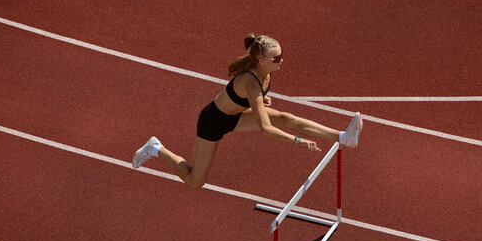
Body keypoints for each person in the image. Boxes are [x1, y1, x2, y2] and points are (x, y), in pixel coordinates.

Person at [132, 33, 362, 189]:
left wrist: (259, 101)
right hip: (213, 122)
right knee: (195, 181)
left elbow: (253, 100)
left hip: (234, 116)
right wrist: (298, 141)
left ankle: (344, 137)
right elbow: (266, 129)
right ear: (261, 60)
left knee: (287, 118)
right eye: (277, 58)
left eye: (282, 56)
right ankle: (156, 148)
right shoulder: (251, 82)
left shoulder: (265, 73)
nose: (281, 61)